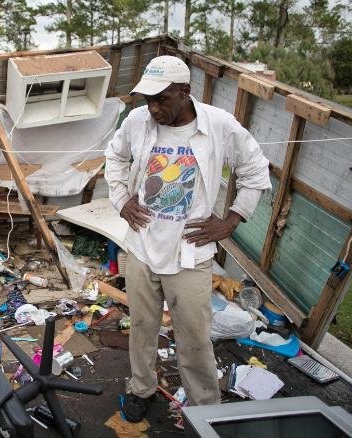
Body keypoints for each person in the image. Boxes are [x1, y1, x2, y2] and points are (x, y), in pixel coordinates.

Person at [104, 55, 271, 422]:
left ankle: (206, 409)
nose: (153, 108)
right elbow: (113, 158)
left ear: (185, 92)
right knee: (143, 329)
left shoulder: (219, 126)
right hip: (142, 247)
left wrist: (232, 220)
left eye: (161, 99)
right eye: (147, 99)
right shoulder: (138, 122)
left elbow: (255, 170)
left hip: (190, 253)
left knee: (194, 339)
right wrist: (121, 200)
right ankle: (141, 387)